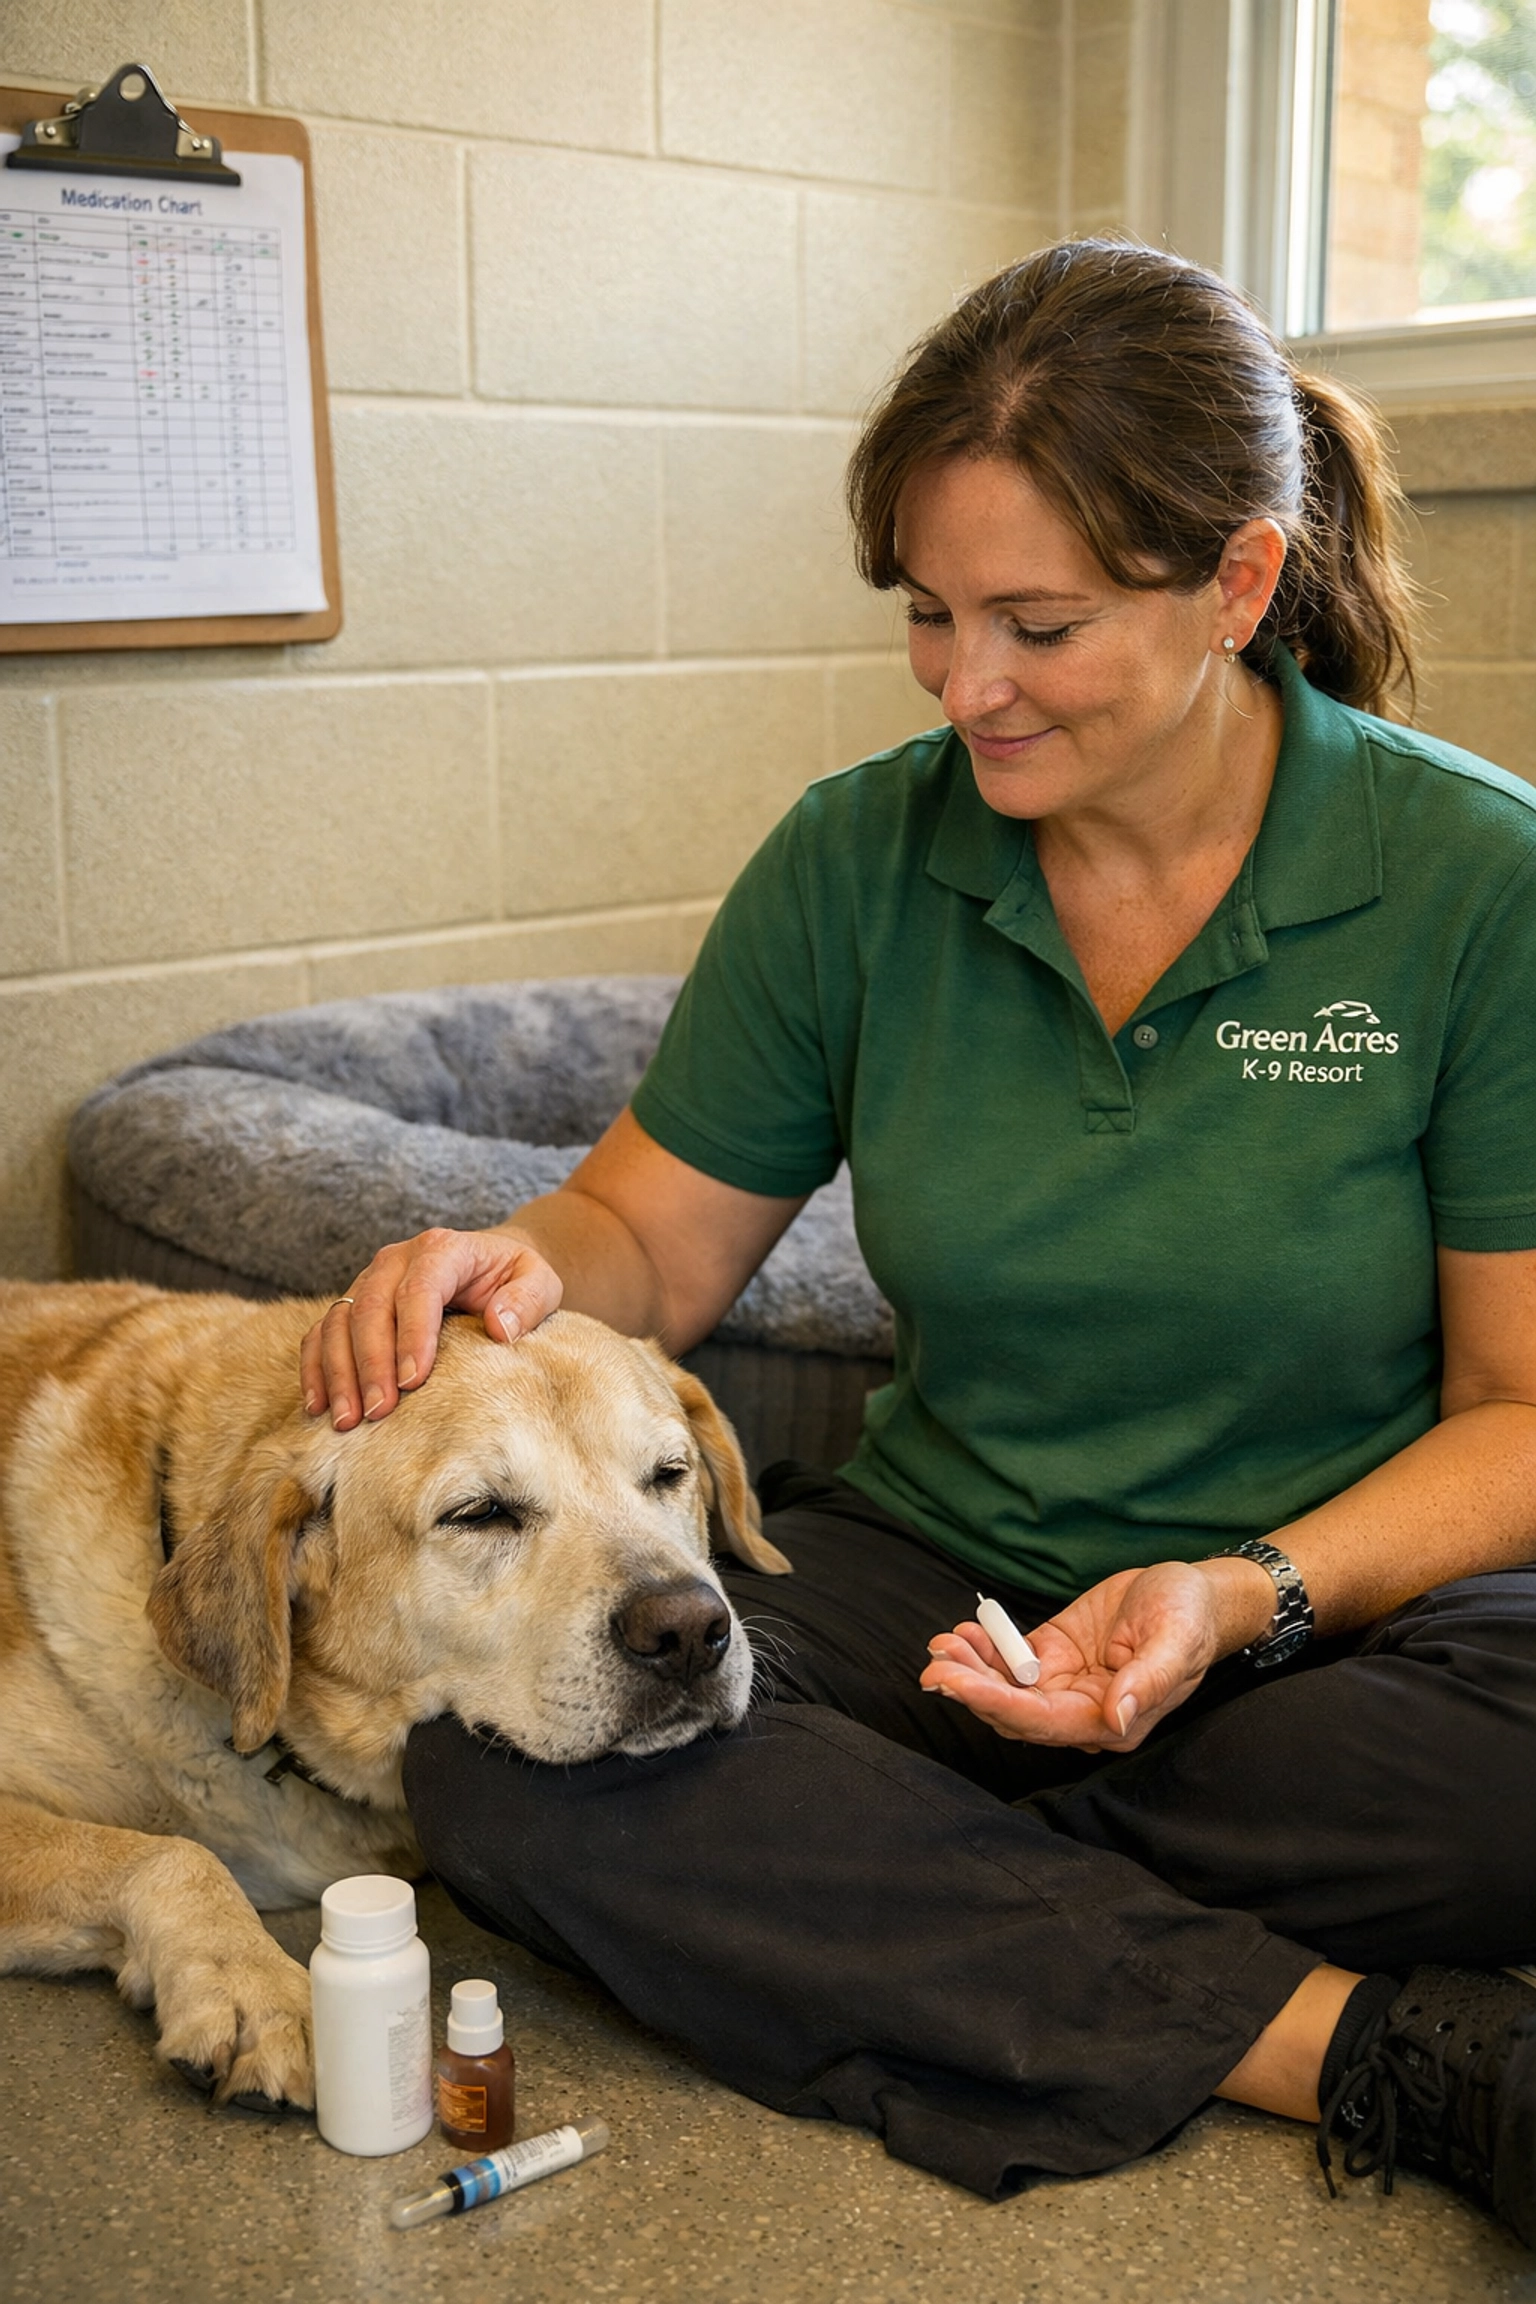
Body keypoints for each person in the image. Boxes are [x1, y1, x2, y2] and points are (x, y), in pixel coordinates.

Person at [303, 240, 1536, 2238]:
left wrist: (1239, 1596)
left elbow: (1523, 1413)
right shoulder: (854, 859)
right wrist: (505, 1271)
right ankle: (1369, 2050)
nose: (970, 687)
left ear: (1237, 584)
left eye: (1038, 625)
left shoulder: (1480, 883)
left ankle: (898, 1880)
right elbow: (645, 1235)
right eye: (933, 616)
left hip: (1341, 1611)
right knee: (503, 1775)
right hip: (953, 1584)